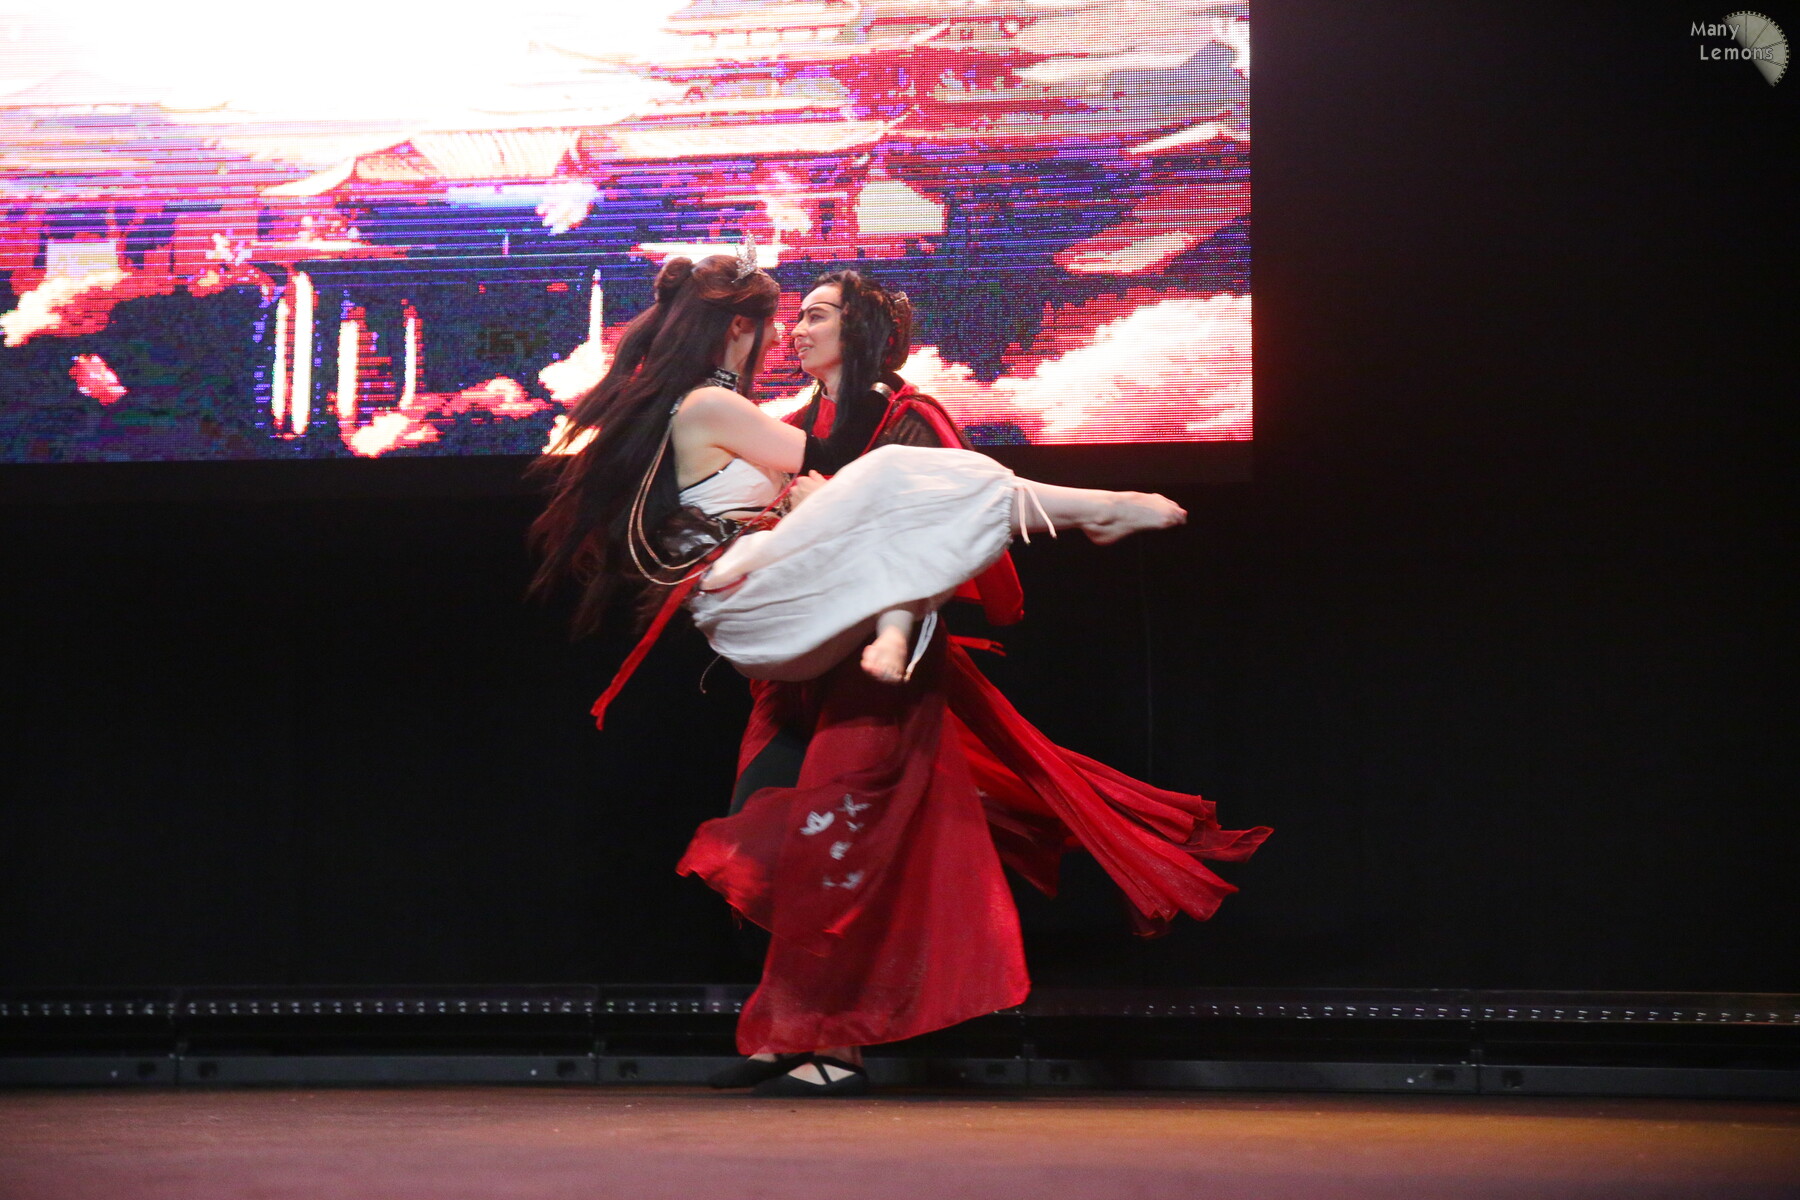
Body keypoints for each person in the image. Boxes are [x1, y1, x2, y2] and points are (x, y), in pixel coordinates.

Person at [533, 249, 1270, 1097]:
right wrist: (808, 500)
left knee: (814, 838)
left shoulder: (896, 415)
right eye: (787, 318)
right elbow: (841, 485)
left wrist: (829, 521)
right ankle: (1084, 511)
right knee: (794, 834)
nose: (793, 332)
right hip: (778, 624)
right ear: (739, 327)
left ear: (859, 330)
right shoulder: (738, 409)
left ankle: (814, 1038)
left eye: (815, 315)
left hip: (837, 642)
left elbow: (921, 531)